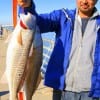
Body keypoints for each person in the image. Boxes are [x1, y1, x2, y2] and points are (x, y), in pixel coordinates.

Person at [17, 0, 100, 100]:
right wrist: (27, 7)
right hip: (62, 91)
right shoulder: (63, 17)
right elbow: (35, 22)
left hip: (91, 93)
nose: (84, 1)